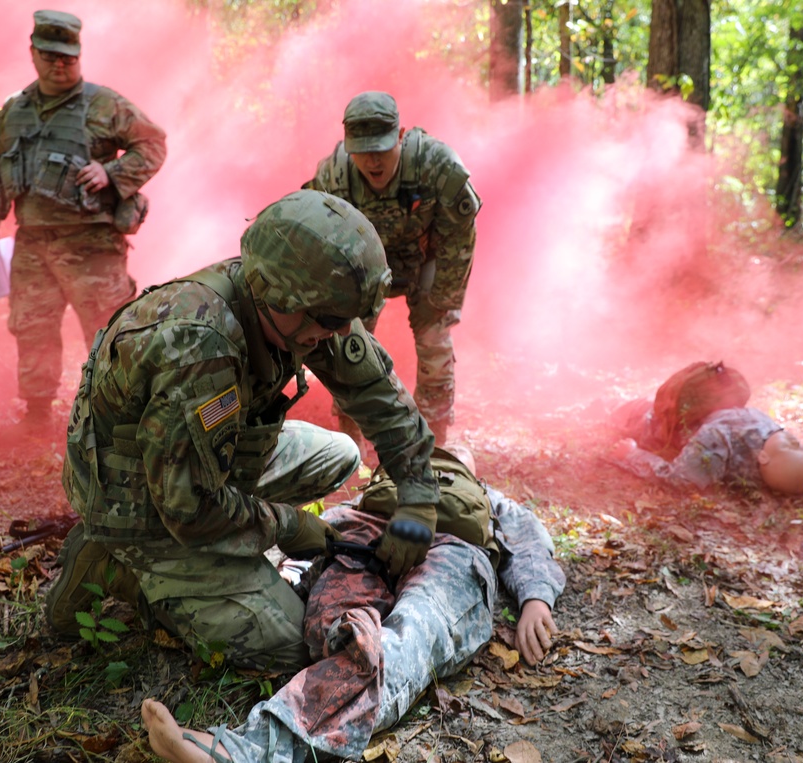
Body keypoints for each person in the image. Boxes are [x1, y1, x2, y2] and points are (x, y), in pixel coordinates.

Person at [44, 190, 444, 672]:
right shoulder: (200, 345)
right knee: (287, 645)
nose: (340, 333)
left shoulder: (298, 303)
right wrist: (288, 525)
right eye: (332, 321)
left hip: (203, 462)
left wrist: (418, 497)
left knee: (338, 453)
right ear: (281, 295)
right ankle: (117, 566)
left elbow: (378, 394)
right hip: (137, 502)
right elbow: (188, 509)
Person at [140, 444, 565, 763]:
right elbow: (324, 531)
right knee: (333, 627)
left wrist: (535, 600)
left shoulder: (489, 498)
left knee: (415, 630)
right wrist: (289, 568)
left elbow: (529, 545)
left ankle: (244, 751)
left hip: (451, 551)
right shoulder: (379, 492)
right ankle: (351, 642)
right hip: (369, 535)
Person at [0, 10, 167, 429]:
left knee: (109, 330)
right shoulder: (12, 112)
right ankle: (38, 411)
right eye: (51, 55)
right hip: (31, 242)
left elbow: (152, 144)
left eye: (68, 57)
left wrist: (110, 173)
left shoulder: (105, 104)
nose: (60, 64)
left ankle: (120, 413)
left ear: (79, 55)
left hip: (92, 243)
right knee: (32, 326)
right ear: (34, 53)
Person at [303, 91, 481, 448]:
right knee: (348, 342)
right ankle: (350, 438)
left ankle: (434, 441)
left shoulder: (437, 165)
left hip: (423, 259)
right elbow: (317, 240)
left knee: (434, 338)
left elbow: (458, 236)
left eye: (381, 148)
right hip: (362, 265)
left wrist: (443, 299)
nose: (372, 161)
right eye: (362, 151)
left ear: (400, 136)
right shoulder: (334, 176)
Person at [608, 361, 803, 494]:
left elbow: (681, 480)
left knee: (622, 412)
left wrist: (633, 454)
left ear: (764, 458)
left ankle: (604, 403)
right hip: (685, 411)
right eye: (800, 446)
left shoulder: (718, 438)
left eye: (790, 447)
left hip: (650, 421)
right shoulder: (769, 432)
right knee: (632, 405)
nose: (795, 441)